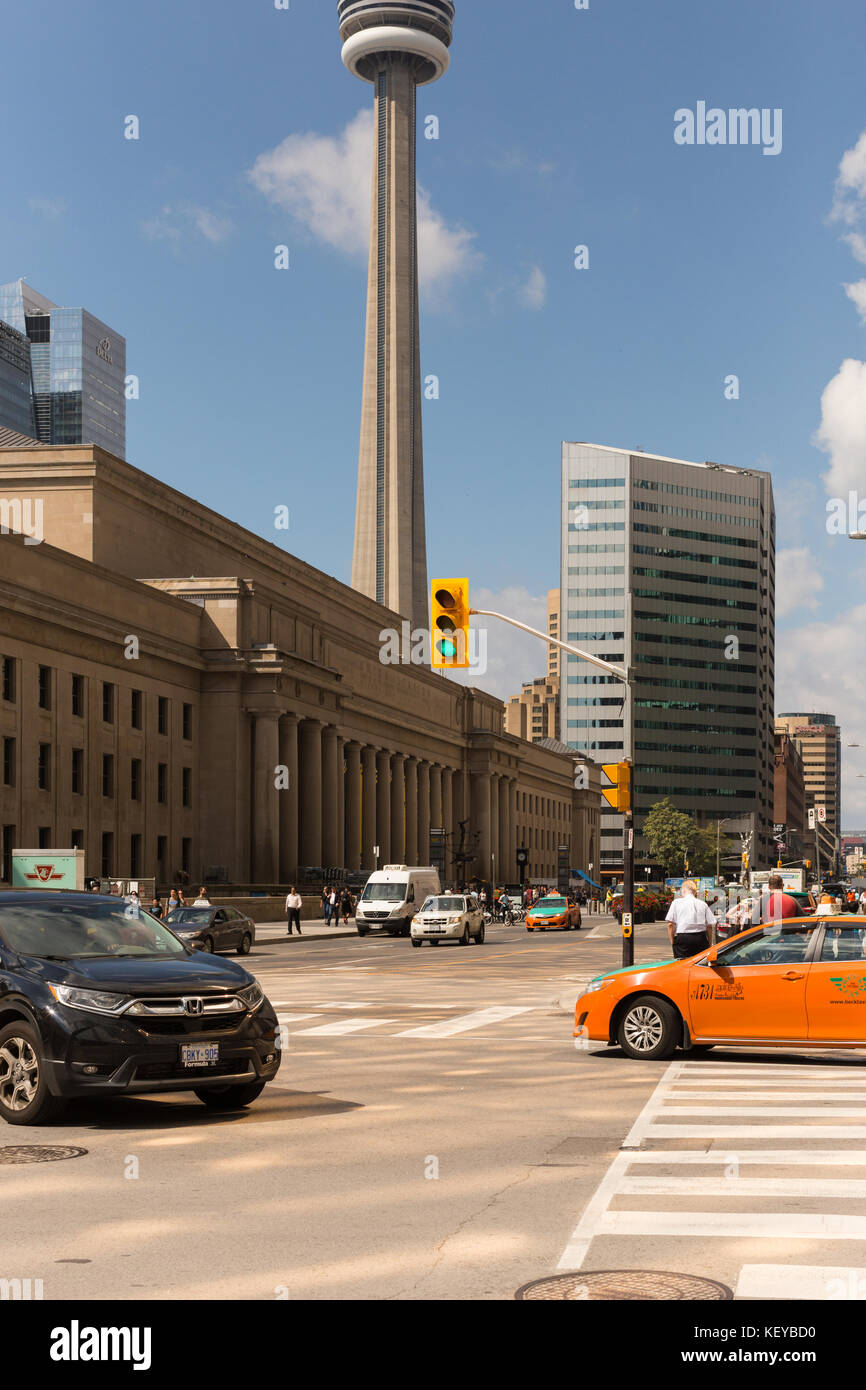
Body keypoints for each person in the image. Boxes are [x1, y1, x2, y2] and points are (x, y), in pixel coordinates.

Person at [665, 879, 716, 959]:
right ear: (695, 892)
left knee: (682, 965)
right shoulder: (703, 904)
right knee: (700, 964)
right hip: (700, 938)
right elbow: (709, 926)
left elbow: (670, 924)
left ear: (683, 890)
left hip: (683, 938)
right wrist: (709, 944)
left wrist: (673, 943)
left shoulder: (676, 903)